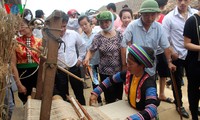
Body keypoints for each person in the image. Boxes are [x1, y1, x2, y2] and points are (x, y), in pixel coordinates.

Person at [90, 44, 160, 120]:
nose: (127, 66)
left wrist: (131, 119)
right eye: (127, 62)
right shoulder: (128, 74)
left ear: (142, 65)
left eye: (130, 64)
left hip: (144, 116)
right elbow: (110, 80)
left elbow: (152, 110)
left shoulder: (149, 84)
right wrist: (96, 93)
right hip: (132, 110)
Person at [121, 0, 175, 79]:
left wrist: (169, 62)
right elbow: (123, 45)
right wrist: (124, 65)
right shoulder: (132, 26)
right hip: (135, 67)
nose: (149, 18)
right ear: (141, 14)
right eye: (146, 15)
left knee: (150, 88)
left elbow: (166, 47)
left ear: (157, 14)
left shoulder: (159, 28)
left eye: (153, 15)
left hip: (150, 68)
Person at [162, 0, 198, 118]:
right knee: (177, 82)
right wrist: (172, 51)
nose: (182, 2)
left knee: (193, 83)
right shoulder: (169, 18)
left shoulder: (195, 15)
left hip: (192, 55)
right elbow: (164, 39)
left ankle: (193, 105)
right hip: (177, 55)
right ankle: (179, 105)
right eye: (179, 0)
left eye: (185, 0)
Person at [83, 11, 123, 104]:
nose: (104, 24)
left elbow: (124, 51)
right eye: (101, 22)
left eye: (107, 22)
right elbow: (91, 50)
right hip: (105, 72)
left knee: (118, 97)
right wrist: (87, 58)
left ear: (112, 21)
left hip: (118, 72)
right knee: (109, 97)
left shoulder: (119, 35)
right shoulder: (98, 37)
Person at [54, 11, 86, 105]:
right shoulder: (51, 38)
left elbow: (82, 46)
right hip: (60, 70)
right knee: (63, 94)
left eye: (64, 26)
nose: (62, 29)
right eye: (59, 26)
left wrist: (80, 59)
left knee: (79, 92)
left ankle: (83, 109)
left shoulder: (73, 34)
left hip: (74, 67)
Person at [11, 9, 42, 104]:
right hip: (22, 76)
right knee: (26, 101)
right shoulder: (15, 43)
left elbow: (43, 62)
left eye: (22, 25)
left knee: (39, 101)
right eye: (18, 26)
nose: (20, 29)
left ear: (31, 26)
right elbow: (13, 65)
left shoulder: (39, 41)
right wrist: (19, 84)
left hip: (37, 75)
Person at [78, 15, 102, 105]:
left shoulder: (98, 33)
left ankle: (108, 98)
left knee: (104, 81)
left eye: (85, 24)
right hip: (91, 64)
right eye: (82, 25)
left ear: (90, 23)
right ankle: (99, 101)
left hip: (101, 61)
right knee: (95, 82)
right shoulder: (80, 38)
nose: (84, 26)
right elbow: (82, 52)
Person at [154, 0, 174, 104]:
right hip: (152, 52)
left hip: (162, 51)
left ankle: (161, 94)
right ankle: (152, 95)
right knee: (152, 74)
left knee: (163, 74)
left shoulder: (164, 18)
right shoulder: (149, 17)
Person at [183, 11, 200, 120]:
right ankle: (194, 115)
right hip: (195, 63)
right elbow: (186, 43)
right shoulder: (192, 21)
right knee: (194, 91)